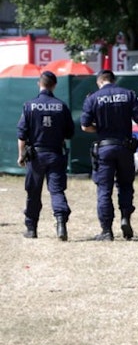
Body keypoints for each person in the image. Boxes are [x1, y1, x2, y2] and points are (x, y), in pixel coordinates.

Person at [80, 70, 138, 241]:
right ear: (113, 80)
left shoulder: (93, 98)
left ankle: (106, 231)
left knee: (104, 189)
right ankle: (126, 218)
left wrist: (102, 129)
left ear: (99, 82)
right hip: (125, 148)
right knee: (126, 185)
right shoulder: (128, 94)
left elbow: (85, 126)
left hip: (105, 148)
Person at [17, 71, 75, 240]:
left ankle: (31, 229)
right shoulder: (61, 106)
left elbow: (22, 134)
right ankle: (61, 224)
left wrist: (21, 155)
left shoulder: (29, 105)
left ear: (39, 84)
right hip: (56, 154)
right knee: (57, 191)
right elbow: (70, 132)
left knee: (33, 193)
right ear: (54, 85)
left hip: (36, 156)